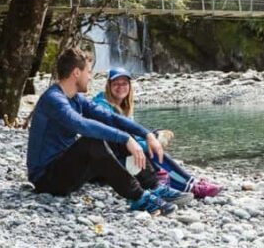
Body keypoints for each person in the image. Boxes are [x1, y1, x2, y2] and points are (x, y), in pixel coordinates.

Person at [26, 47, 190, 215]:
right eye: (88, 72)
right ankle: (139, 197)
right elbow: (80, 124)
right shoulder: (54, 99)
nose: (90, 77)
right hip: (46, 179)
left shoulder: (75, 98)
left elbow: (110, 118)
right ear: (76, 72)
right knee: (93, 141)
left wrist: (146, 134)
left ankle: (154, 187)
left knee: (113, 135)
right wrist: (126, 139)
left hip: (68, 171)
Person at [93, 67, 223, 199]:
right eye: (116, 83)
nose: (120, 87)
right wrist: (154, 142)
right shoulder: (100, 105)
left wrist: (153, 137)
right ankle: (191, 186)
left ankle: (181, 182)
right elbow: (119, 139)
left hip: (121, 156)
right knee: (151, 149)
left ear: (130, 86)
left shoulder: (123, 106)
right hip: (108, 163)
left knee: (152, 141)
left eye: (124, 83)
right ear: (108, 86)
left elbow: (132, 136)